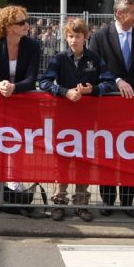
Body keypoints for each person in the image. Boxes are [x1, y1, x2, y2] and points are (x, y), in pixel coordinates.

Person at [40, 18, 115, 222]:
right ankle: (59, 202)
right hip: (63, 118)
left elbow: (110, 82)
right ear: (66, 37)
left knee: (84, 161)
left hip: (87, 119)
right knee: (62, 160)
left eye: (78, 36)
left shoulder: (95, 58)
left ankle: (81, 203)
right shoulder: (59, 58)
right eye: (71, 36)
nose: (74, 40)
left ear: (86, 37)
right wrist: (64, 92)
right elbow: (44, 82)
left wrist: (94, 89)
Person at [89, 0, 134, 218]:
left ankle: (128, 202)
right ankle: (107, 200)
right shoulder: (100, 36)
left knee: (131, 152)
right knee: (107, 153)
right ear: (119, 13)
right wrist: (116, 81)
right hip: (108, 105)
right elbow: (95, 68)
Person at [0, 5, 42, 216]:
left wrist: (14, 87)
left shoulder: (32, 46)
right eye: (21, 22)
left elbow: (31, 79)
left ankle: (16, 193)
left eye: (26, 21)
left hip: (22, 104)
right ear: (9, 27)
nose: (27, 25)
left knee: (18, 147)